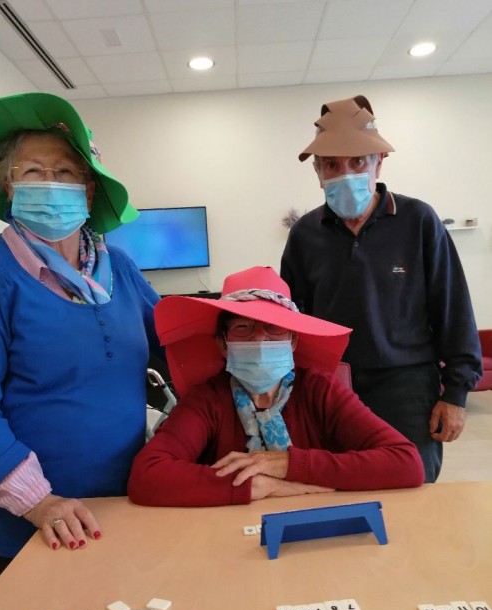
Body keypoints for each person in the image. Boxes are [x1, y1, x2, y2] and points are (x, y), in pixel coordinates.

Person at [0, 93, 161, 599]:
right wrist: (39, 502)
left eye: (66, 172)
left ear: (89, 191)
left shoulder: (119, 268)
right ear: (8, 186)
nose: (50, 183)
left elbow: (175, 348)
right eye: (33, 171)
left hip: (120, 504)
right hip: (19, 525)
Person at [280, 95, 482, 483]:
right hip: (331, 387)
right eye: (331, 165)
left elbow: (453, 308)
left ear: (379, 161)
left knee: (410, 483)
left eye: (358, 161)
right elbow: (292, 319)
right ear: (318, 171)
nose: (345, 174)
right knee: (337, 484)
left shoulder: (418, 220)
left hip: (406, 385)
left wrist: (456, 393)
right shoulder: (305, 235)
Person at [128, 266, 424, 507]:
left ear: (293, 341)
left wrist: (286, 464)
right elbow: (147, 476)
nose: (260, 340)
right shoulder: (208, 399)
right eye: (243, 328)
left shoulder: (320, 391)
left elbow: (406, 462)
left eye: (275, 327)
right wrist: (258, 485)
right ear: (222, 344)